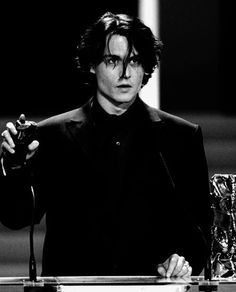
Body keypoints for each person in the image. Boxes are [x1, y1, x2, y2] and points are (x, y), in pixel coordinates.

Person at [0, 11, 212, 278]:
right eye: (113, 60)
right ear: (92, 65)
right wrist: (14, 168)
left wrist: (183, 261)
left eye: (134, 61)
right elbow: (16, 218)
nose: (125, 73)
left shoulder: (181, 138)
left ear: (146, 66)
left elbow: (201, 234)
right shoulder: (52, 135)